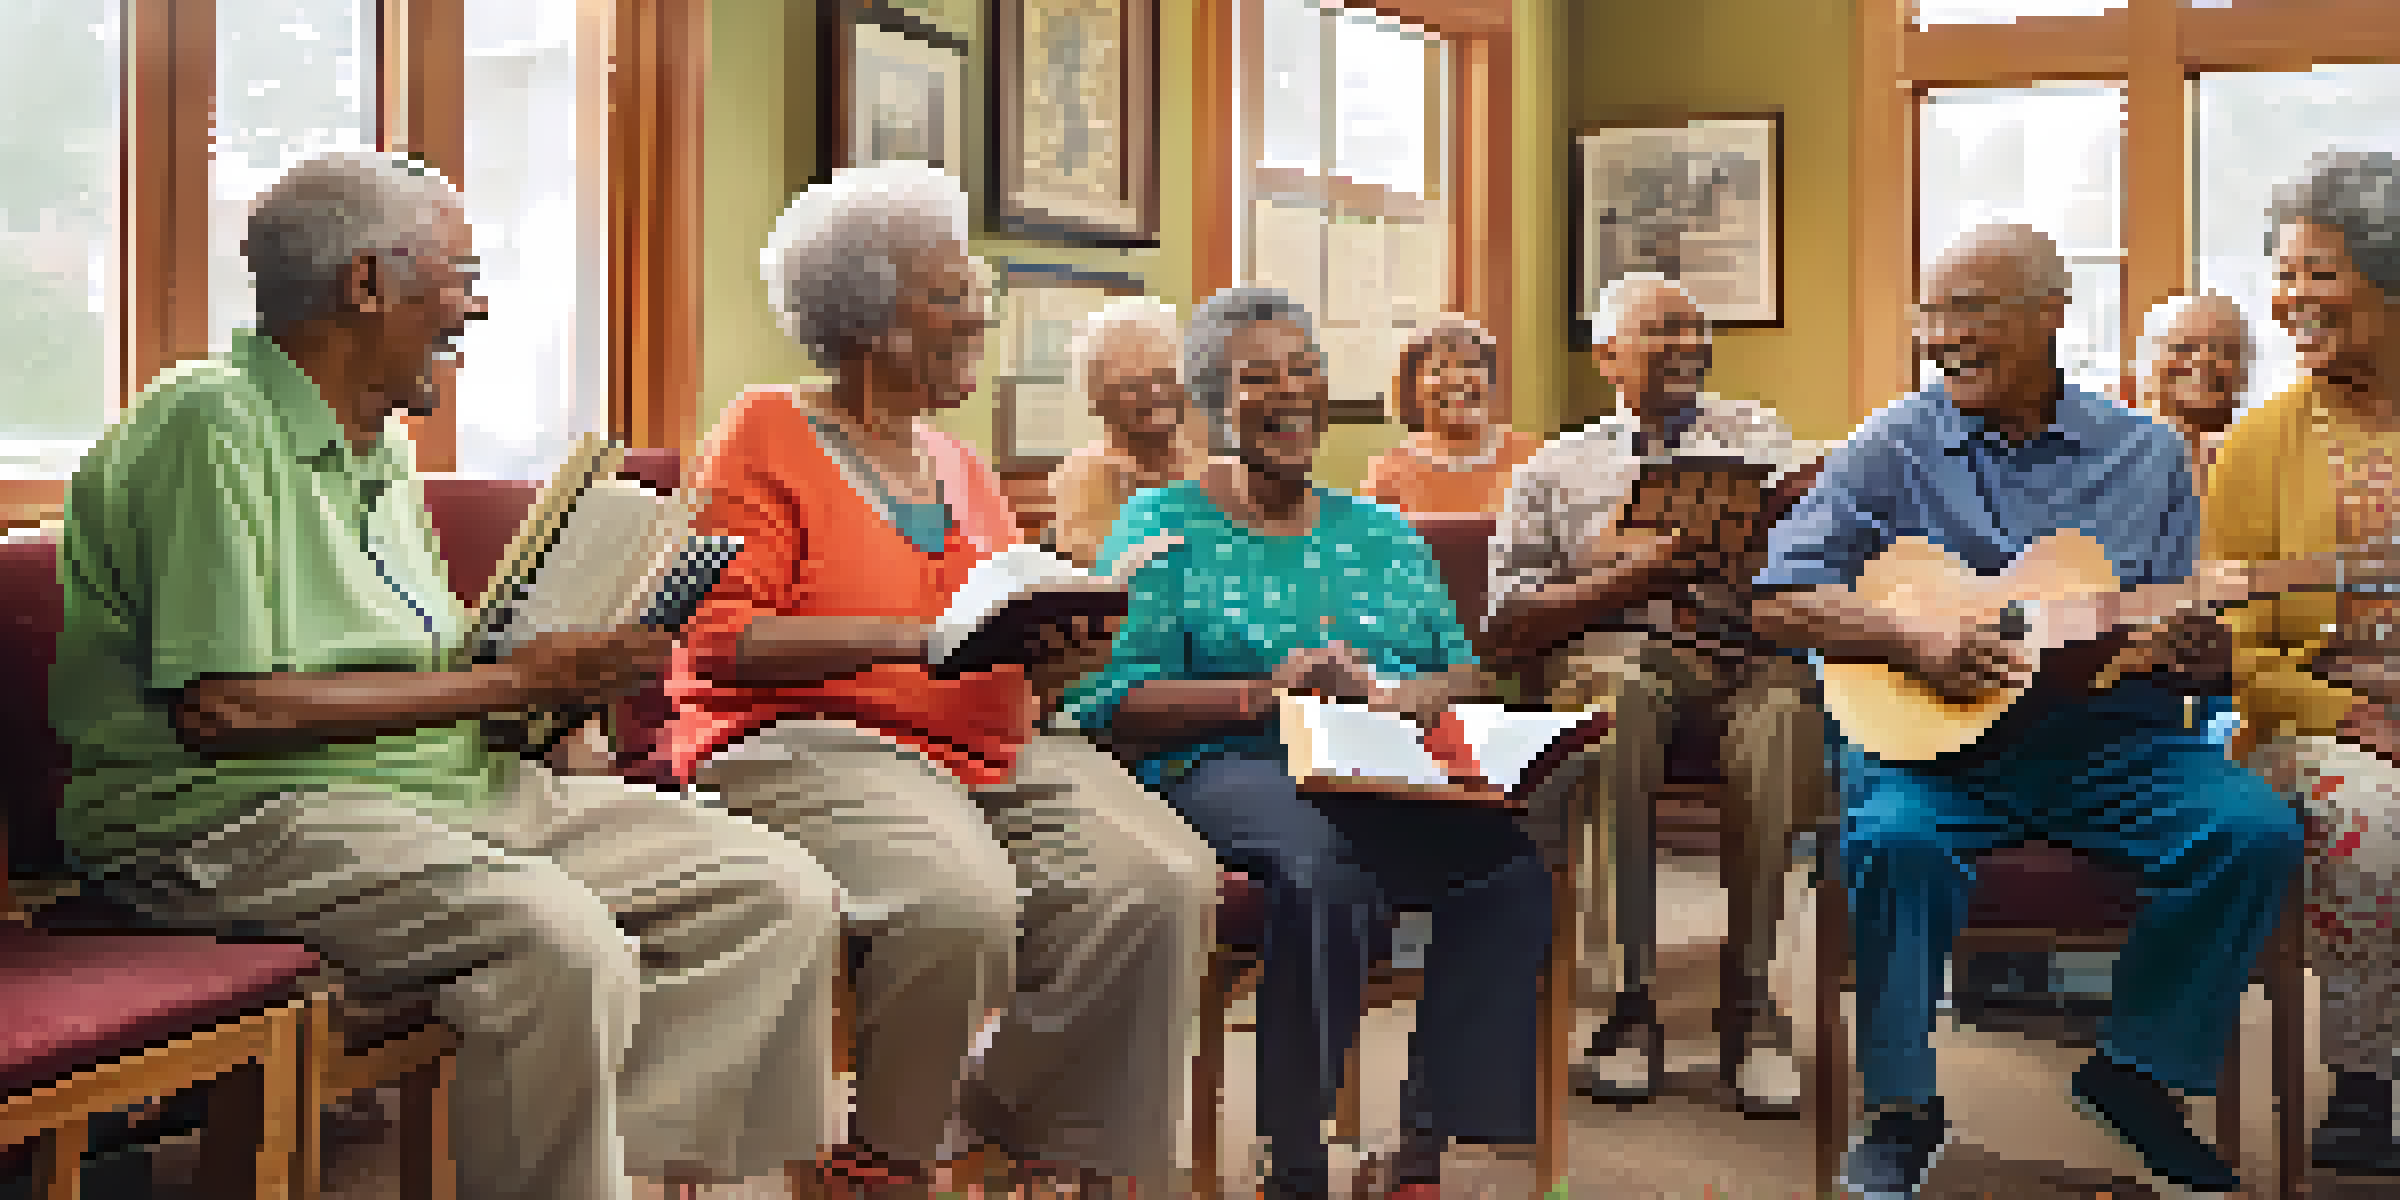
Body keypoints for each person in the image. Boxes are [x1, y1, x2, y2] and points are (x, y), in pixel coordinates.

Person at [46, 151, 845, 1200]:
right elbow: (224, 709)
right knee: (559, 944)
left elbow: (434, 671)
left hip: (443, 788)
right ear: (367, 283)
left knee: (774, 889)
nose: (474, 307)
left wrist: (559, 693)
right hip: (234, 813)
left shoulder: (380, 450)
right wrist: (512, 686)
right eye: (460, 277)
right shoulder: (210, 421)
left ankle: (636, 1177)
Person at [665, 161, 1217, 1199]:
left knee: (1162, 883)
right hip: (807, 739)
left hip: (984, 742)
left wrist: (1065, 647)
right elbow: (721, 644)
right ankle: (886, 1156)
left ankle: (1033, 1129)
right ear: (870, 316)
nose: (981, 317)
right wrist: (919, 637)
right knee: (958, 899)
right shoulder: (766, 430)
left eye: (979, 295)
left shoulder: (959, 465)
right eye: (953, 294)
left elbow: (1000, 620)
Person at [1752, 222, 2303, 1198]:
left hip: (2110, 745)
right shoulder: (1891, 446)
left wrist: (2200, 655)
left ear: (2053, 315)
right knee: (1895, 844)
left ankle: (2135, 1072)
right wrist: (1913, 640)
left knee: (2253, 830)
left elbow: (2185, 646)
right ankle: (1903, 1104)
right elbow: (1779, 595)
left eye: (1970, 310)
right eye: (1930, 313)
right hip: (1934, 756)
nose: (1941, 336)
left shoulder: (2147, 458)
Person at [1058, 287, 1553, 1200]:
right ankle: (1292, 1164)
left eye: (1306, 368)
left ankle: (1418, 1151)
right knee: (1322, 871)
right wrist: (1262, 690)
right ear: (1212, 397)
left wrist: (1403, 693)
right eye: (1258, 377)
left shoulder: (1382, 530)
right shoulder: (1162, 528)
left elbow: (1464, 670)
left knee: (1510, 873)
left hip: (1381, 764)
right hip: (1229, 762)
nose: (1291, 392)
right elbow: (1111, 701)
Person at [1481, 273, 1827, 1117]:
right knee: (1617, 698)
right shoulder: (1554, 470)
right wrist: (1641, 568)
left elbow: (1816, 554)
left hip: (1746, 652)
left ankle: (1751, 1007)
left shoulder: (1760, 437)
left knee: (1786, 714)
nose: (1686, 346)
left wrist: (1768, 545)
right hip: (1621, 652)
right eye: (1662, 331)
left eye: (1695, 331)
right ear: (1607, 356)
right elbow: (1506, 622)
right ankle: (1625, 1011)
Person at [2208, 149, 2400, 1175]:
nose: (2289, 299)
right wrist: (2351, 715)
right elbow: (2231, 643)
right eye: (2282, 273)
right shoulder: (2259, 444)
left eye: (2318, 273)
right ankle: (2365, 1082)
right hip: (2312, 722)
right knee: (2372, 816)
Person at [1046, 295, 1205, 568]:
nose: (1155, 393)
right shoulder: (1084, 478)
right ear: (1096, 398)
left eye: (1166, 377)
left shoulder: (1213, 470)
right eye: (1133, 384)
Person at [1360, 315, 1542, 515]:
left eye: (1471, 364)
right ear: (1412, 388)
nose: (1457, 378)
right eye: (1439, 368)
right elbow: (1375, 544)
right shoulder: (1387, 475)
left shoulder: (1534, 458)